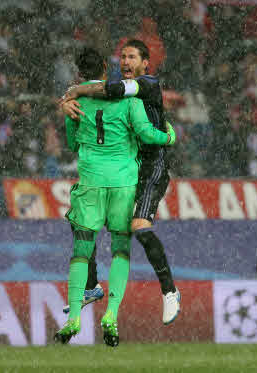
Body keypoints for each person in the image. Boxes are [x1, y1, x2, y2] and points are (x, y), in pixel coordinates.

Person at [54, 47, 175, 347]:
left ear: (81, 76)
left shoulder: (76, 103)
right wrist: (169, 136)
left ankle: (74, 319)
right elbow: (148, 134)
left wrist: (70, 104)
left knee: (82, 247)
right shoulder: (129, 101)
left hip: (91, 181)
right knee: (120, 248)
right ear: (106, 73)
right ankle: (111, 314)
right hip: (123, 182)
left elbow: (71, 143)